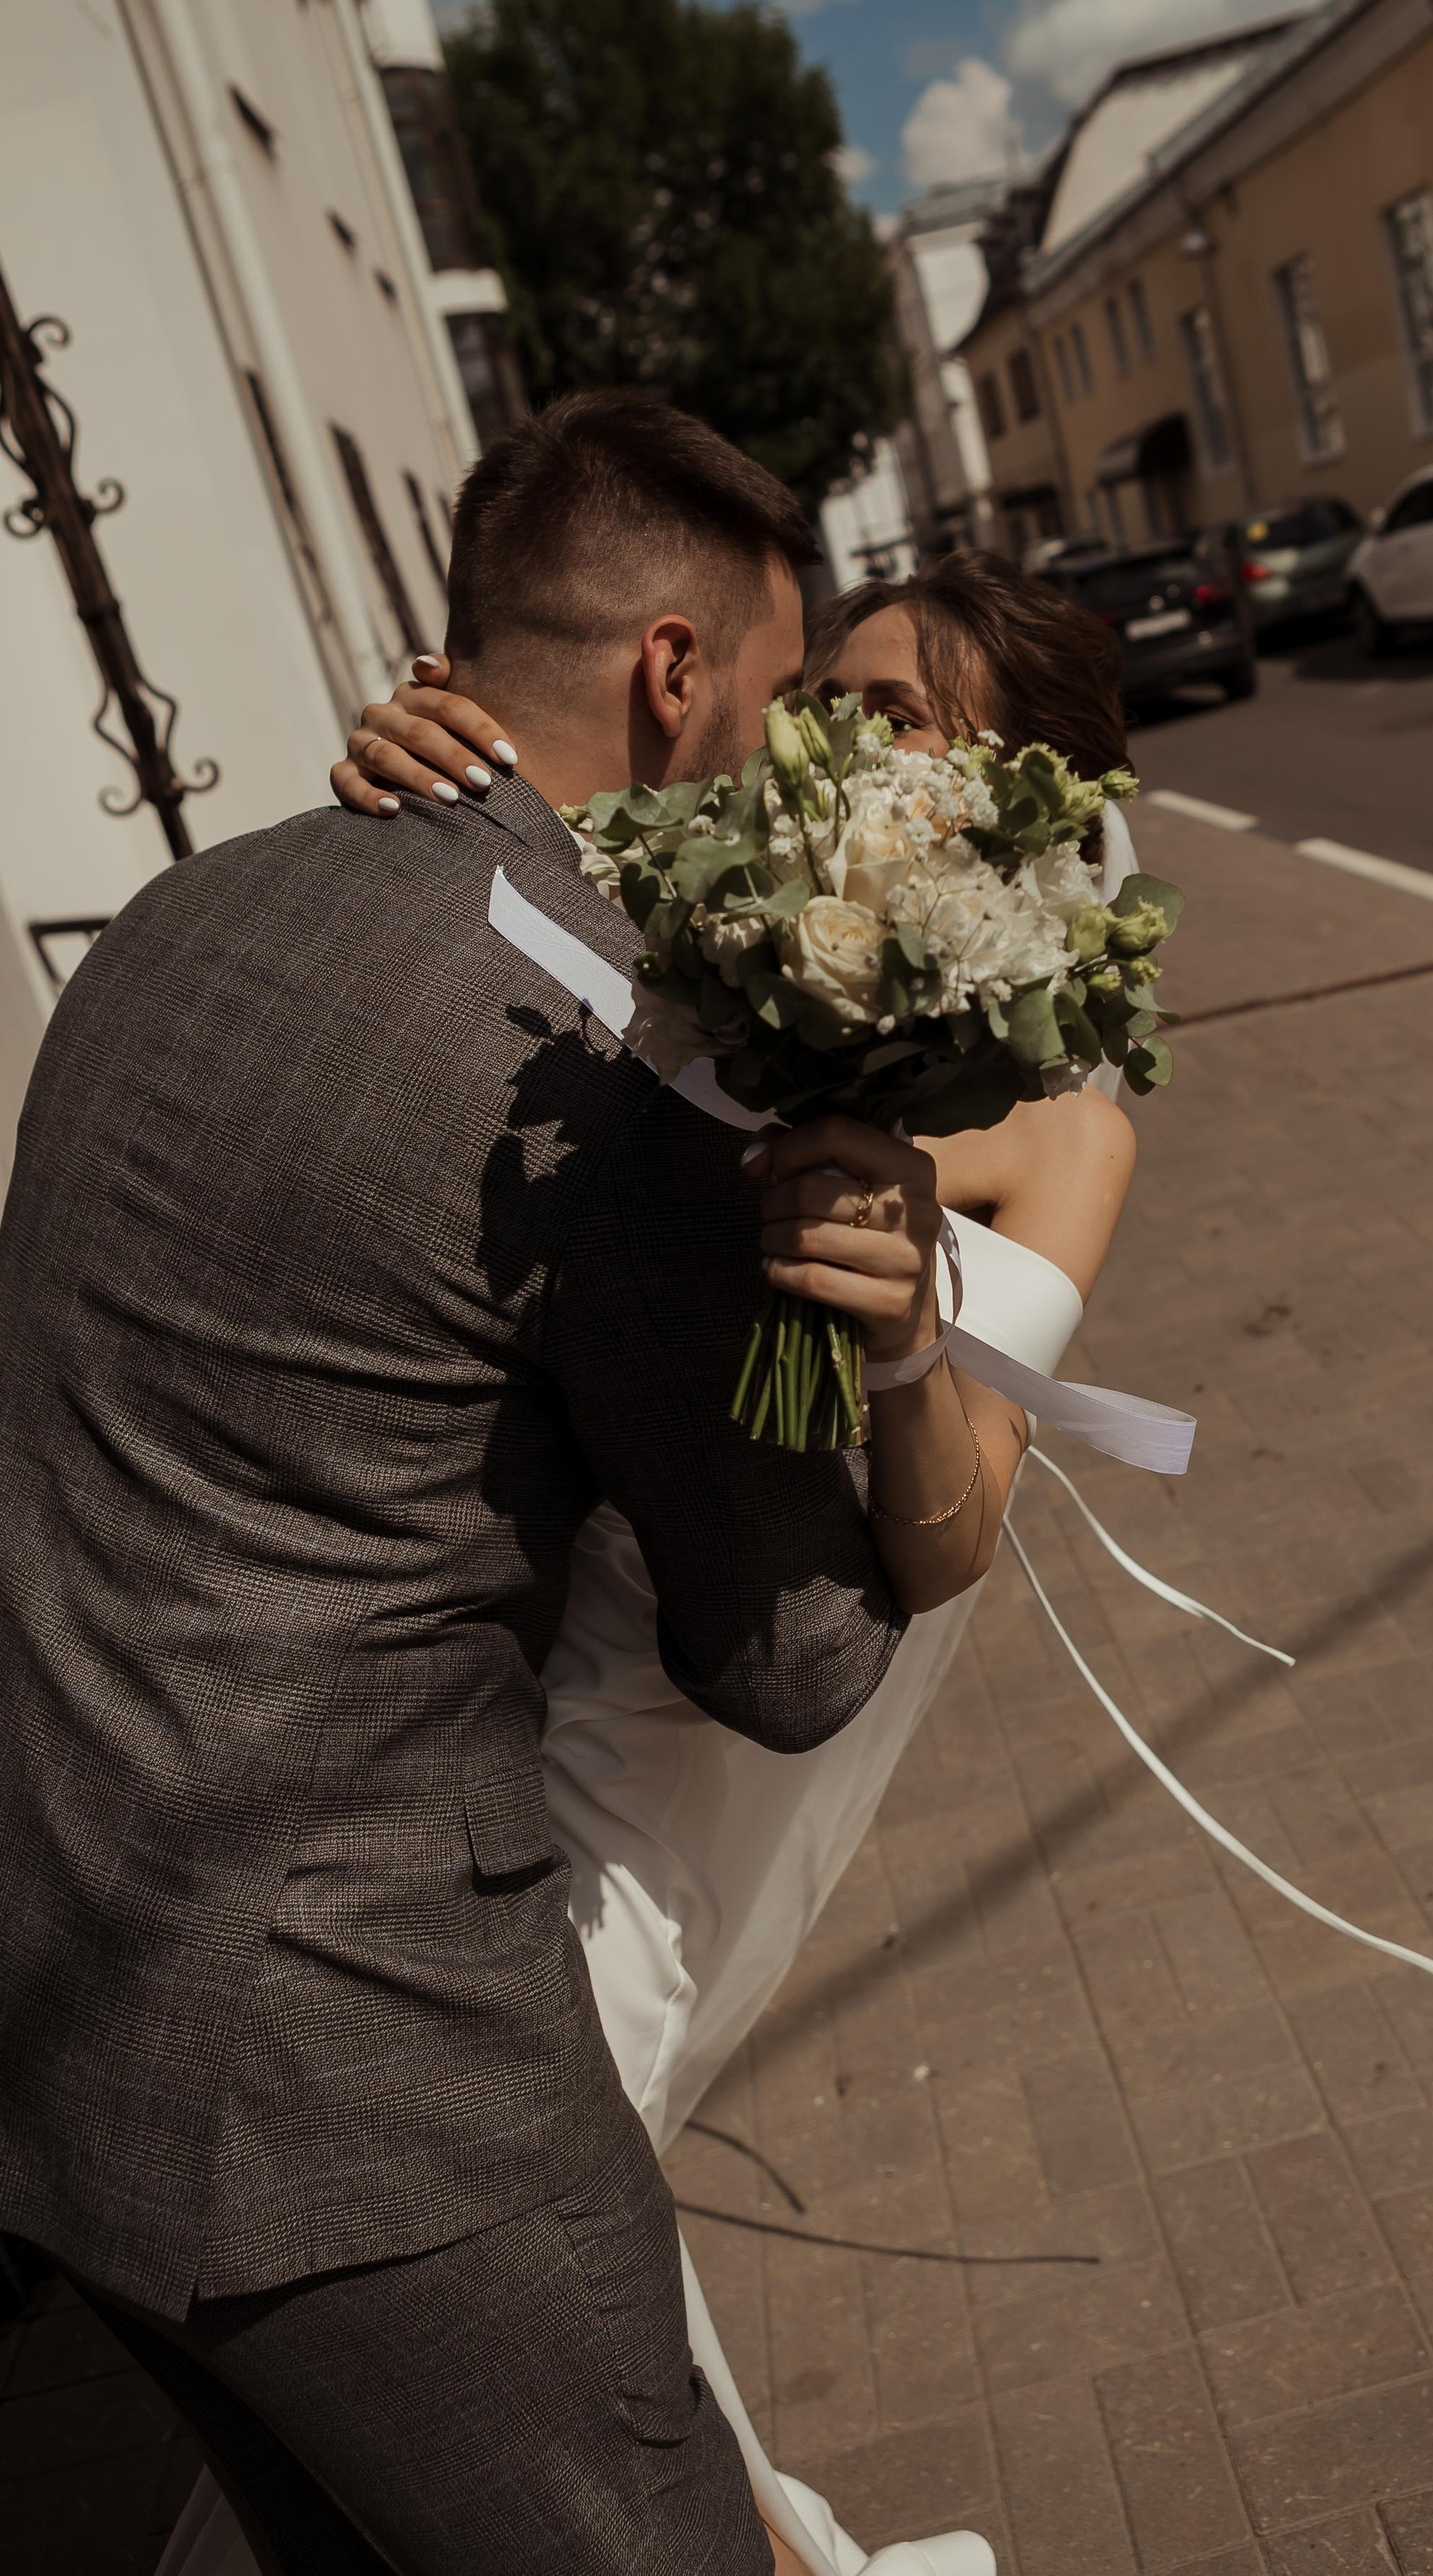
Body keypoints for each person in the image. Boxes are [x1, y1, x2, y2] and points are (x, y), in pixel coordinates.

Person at [0, 395, 1012, 2576]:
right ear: (674, 674)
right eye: (791, 694)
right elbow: (791, 1661)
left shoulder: (174, 914)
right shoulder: (611, 1064)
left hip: (13, 1994)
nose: (804, 757)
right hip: (342, 2071)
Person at [166, 550, 1138, 2576]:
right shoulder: (696, 958)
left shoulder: (1063, 1119)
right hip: (567, 1684)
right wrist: (421, 770)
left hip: (772, 1711)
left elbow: (952, 1544)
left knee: (540, 2244)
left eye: (898, 720)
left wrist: (885, 1346)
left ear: (1029, 794)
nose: (832, 752)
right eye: (826, 707)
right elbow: (497, 933)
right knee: (558, 2230)